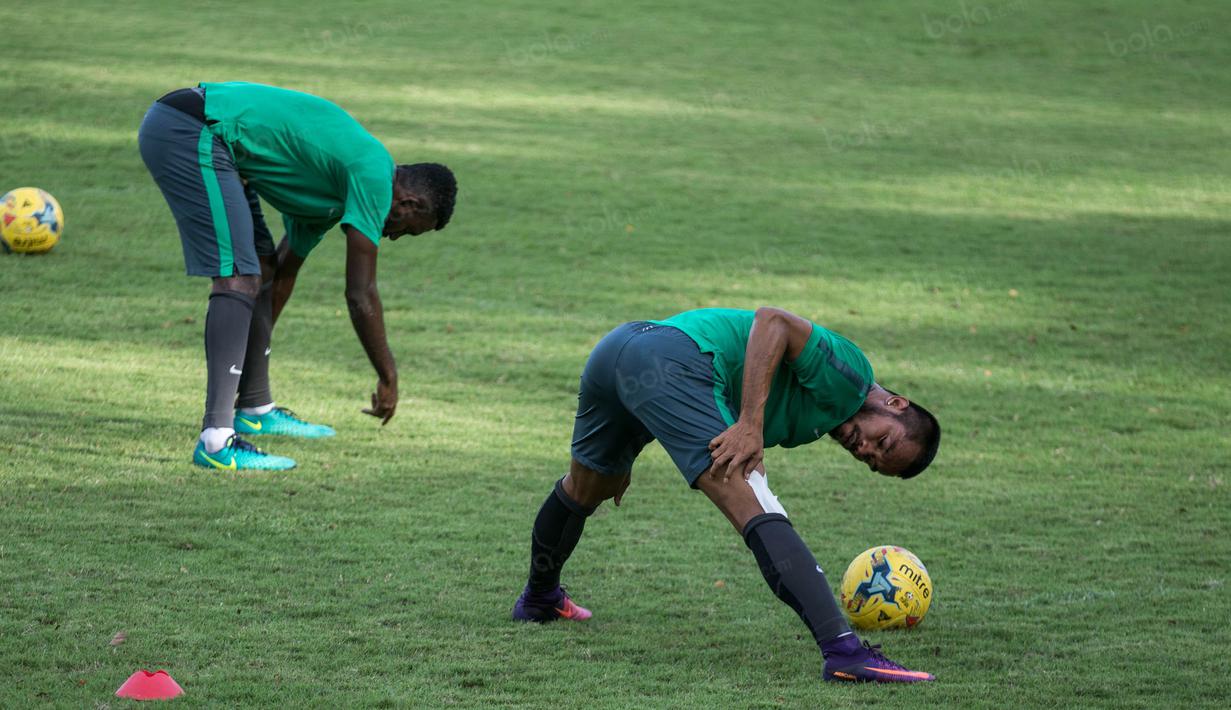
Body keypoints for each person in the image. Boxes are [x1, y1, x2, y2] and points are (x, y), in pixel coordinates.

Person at [511, 307, 941, 683]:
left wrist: (628, 448)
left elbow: (713, 392)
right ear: (896, 405)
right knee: (755, 503)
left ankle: (539, 598)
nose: (865, 450)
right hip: (667, 360)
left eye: (871, 461)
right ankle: (845, 652)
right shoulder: (852, 377)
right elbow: (772, 321)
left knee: (589, 487)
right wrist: (751, 423)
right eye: (883, 442)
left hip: (619, 352)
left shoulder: (821, 414)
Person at [138, 82, 457, 470]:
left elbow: (282, 277)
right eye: (408, 231)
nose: (393, 237)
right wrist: (388, 375)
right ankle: (216, 441)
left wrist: (243, 355)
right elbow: (360, 293)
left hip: (210, 136)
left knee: (262, 270)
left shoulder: (331, 198)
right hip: (191, 129)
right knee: (238, 277)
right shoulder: (373, 173)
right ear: (409, 203)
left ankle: (254, 406)